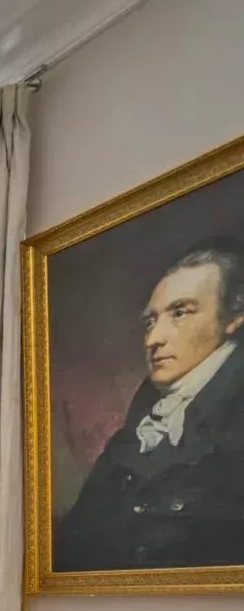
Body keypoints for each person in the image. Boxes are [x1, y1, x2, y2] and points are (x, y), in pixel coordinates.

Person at [54, 239, 244, 572]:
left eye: (180, 312)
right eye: (150, 322)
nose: (153, 339)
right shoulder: (139, 431)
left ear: (234, 317)